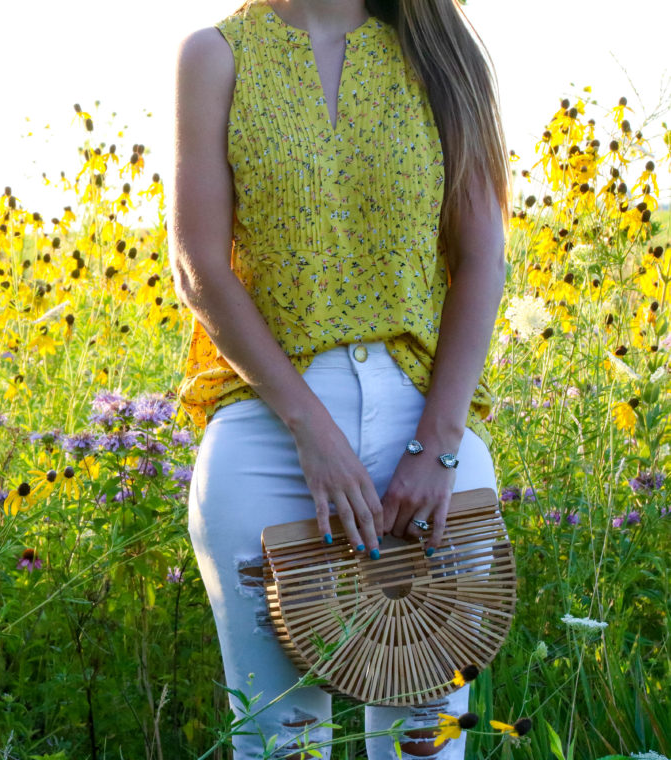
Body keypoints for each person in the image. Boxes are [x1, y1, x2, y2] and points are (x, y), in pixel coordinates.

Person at [169, 0, 510, 757]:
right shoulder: (216, 56)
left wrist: (439, 447)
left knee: (425, 743)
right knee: (280, 742)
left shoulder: (443, 57)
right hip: (267, 432)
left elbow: (484, 263)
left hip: (429, 431)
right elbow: (200, 269)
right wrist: (312, 432)